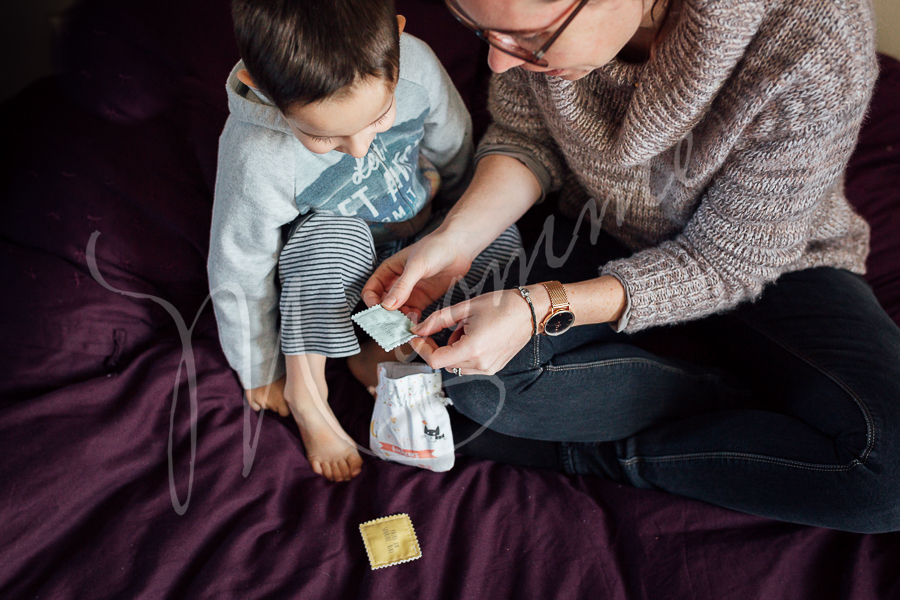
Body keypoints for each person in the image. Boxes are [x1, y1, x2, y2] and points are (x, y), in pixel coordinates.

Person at [361, 0, 900, 533]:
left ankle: (599, 453)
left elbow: (724, 261)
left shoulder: (814, 33)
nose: (500, 64)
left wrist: (544, 305)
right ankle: (727, 401)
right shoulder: (523, 46)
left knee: (887, 481)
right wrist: (460, 238)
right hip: (599, 229)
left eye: (530, 39)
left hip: (776, 261)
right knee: (464, 369)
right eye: (484, 34)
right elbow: (527, 137)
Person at [208, 0, 520, 482]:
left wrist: (463, 222)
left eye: (379, 118)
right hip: (337, 274)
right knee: (334, 233)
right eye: (325, 138)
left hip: (422, 238)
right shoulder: (258, 156)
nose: (359, 148)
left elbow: (455, 143)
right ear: (261, 89)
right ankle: (308, 391)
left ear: (395, 47)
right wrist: (258, 365)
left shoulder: (415, 64)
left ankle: (381, 354)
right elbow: (238, 265)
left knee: (502, 238)